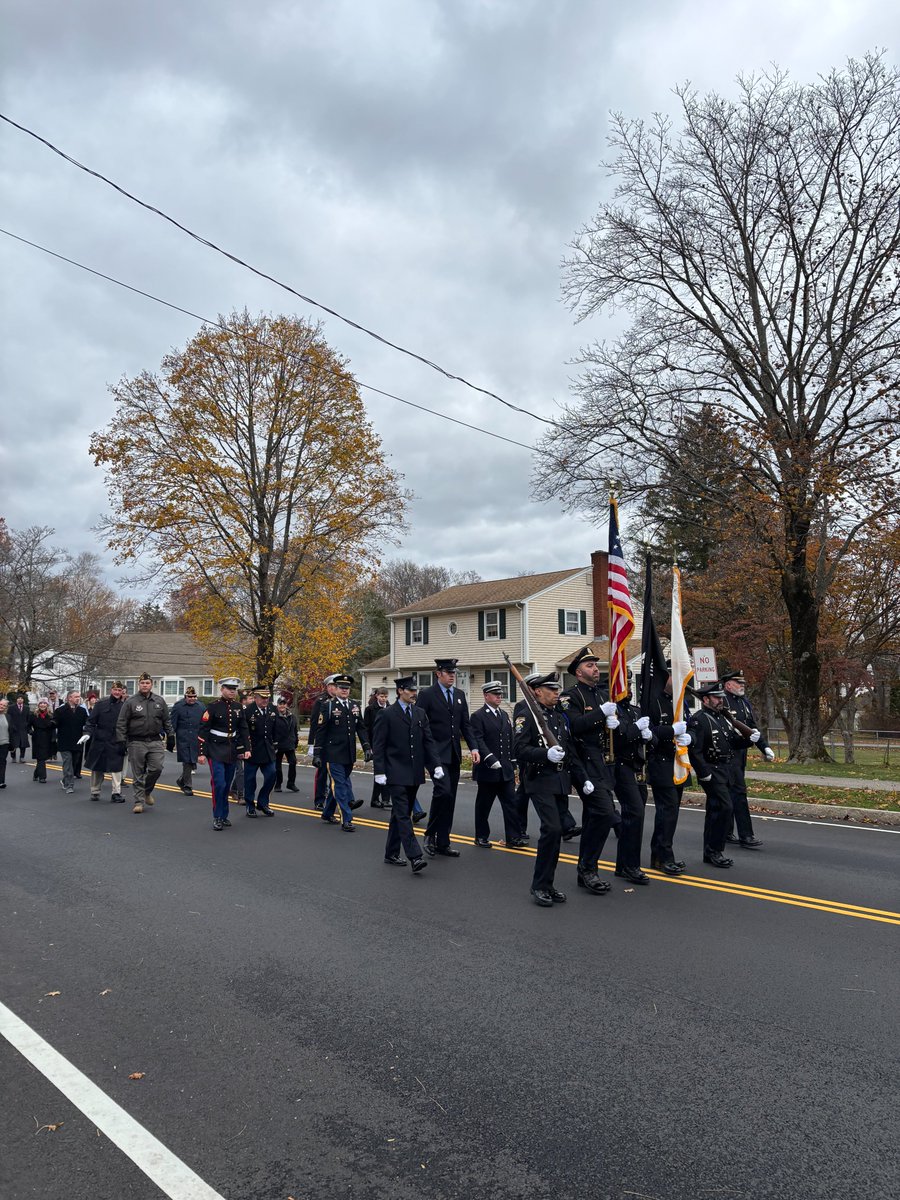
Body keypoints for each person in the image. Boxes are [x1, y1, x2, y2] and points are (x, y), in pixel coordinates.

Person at [514, 672, 587, 907]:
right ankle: (539, 885)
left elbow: (570, 751)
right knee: (552, 829)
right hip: (539, 781)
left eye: (557, 689)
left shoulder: (559, 717)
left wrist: (582, 778)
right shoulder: (528, 717)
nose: (557, 693)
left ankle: (548, 884)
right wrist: (544, 754)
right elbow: (519, 750)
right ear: (537, 691)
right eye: (551, 689)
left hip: (560, 782)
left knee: (554, 836)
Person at [560, 647, 619, 894]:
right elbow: (574, 726)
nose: (595, 669)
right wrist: (600, 715)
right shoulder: (570, 696)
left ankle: (586, 870)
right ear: (578, 672)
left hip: (605, 764)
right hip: (584, 764)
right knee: (605, 814)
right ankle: (587, 869)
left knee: (594, 816)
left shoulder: (603, 694)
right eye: (589, 665)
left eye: (595, 665)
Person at [372, 675, 442, 874]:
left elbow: (428, 741)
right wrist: (379, 771)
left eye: (415, 690)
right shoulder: (387, 715)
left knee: (398, 815)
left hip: (414, 772)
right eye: (410, 690)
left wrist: (435, 765)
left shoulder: (419, 713)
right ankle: (415, 856)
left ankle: (391, 853)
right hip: (395, 771)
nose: (414, 693)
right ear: (401, 691)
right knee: (404, 815)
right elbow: (379, 745)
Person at [415, 658, 480, 857]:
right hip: (435, 754)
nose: (452, 675)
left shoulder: (459, 695)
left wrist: (474, 747)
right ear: (438, 674)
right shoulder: (427, 695)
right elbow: (418, 724)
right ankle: (430, 834)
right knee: (442, 792)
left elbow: (465, 725)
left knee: (450, 797)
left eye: (454, 672)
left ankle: (443, 842)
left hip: (453, 753)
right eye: (448, 672)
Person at [688, 682, 754, 867]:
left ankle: (711, 852)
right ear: (706, 699)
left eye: (721, 697)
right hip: (712, 770)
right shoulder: (699, 719)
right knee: (725, 807)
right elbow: (696, 750)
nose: (720, 700)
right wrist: (703, 773)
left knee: (716, 811)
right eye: (717, 698)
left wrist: (749, 740)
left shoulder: (722, 717)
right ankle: (715, 850)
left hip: (726, 769)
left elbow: (732, 741)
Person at [645, 669, 691, 875]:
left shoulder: (681, 702)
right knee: (667, 811)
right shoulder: (653, 702)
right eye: (674, 675)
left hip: (679, 762)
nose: (678, 679)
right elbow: (649, 733)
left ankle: (659, 855)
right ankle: (664, 857)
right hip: (661, 763)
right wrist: (672, 731)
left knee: (672, 812)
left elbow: (693, 729)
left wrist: (690, 737)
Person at [468, 681, 526, 847]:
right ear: (486, 696)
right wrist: (490, 758)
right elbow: (478, 740)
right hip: (488, 769)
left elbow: (510, 739)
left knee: (511, 803)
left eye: (500, 694)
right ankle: (481, 836)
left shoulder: (504, 715)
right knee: (484, 805)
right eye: (495, 694)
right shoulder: (478, 716)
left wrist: (514, 760)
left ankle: (513, 837)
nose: (499, 697)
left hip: (505, 769)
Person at [312, 674, 371, 831]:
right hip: (333, 753)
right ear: (336, 689)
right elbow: (321, 731)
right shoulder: (328, 705)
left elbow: (361, 728)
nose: (344, 690)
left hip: (349, 753)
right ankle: (347, 818)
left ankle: (327, 813)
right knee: (339, 784)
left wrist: (366, 747)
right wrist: (317, 753)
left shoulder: (354, 705)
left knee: (338, 784)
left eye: (347, 688)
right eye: (341, 688)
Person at [721, 670, 772, 850]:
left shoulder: (744, 703)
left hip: (740, 755)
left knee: (730, 793)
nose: (742, 686)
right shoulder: (722, 702)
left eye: (742, 683)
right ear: (728, 685)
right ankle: (746, 835)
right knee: (737, 793)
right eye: (738, 683)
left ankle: (726, 832)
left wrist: (764, 747)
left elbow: (752, 728)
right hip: (728, 754)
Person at [115, 672, 174, 814]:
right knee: (138, 773)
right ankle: (138, 801)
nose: (145, 685)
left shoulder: (159, 701)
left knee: (157, 768)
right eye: (142, 683)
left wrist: (171, 735)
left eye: (147, 683)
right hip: (136, 741)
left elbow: (166, 720)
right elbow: (121, 722)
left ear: (151, 684)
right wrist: (121, 740)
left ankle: (147, 791)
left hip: (155, 740)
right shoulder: (131, 702)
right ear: (138, 685)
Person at [198, 678, 250, 831]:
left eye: (234, 688)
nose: (232, 691)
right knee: (219, 784)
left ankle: (224, 815)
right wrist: (201, 753)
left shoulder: (238, 707)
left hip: (231, 750)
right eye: (229, 688)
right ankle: (217, 816)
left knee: (226, 785)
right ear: (222, 689)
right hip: (215, 750)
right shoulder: (213, 707)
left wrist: (245, 749)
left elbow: (243, 729)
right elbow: (203, 730)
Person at [85, 683, 128, 802]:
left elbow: (128, 726)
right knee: (97, 768)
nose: (117, 692)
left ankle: (116, 793)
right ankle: (95, 791)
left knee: (116, 769)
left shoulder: (125, 707)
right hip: (100, 740)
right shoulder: (100, 704)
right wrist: (87, 734)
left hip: (116, 740)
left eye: (119, 690)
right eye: (115, 689)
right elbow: (91, 722)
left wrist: (127, 741)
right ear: (111, 690)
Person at [243, 685, 278, 818]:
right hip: (252, 750)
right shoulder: (247, 711)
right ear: (256, 697)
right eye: (262, 698)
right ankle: (250, 805)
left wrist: (275, 744)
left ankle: (263, 803)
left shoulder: (272, 709)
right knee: (250, 780)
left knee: (272, 775)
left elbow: (275, 728)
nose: (265, 700)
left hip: (267, 750)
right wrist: (243, 748)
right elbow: (243, 731)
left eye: (267, 698)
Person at [307, 675, 339, 810]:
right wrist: (311, 744)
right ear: (328, 687)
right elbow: (315, 723)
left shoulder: (340, 701)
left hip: (337, 743)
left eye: (337, 686)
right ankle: (319, 800)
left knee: (338, 774)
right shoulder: (321, 701)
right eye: (333, 686)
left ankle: (340, 799)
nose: (335, 688)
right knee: (322, 773)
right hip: (323, 742)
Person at [170, 686, 205, 795]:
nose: (192, 699)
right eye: (190, 697)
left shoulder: (201, 706)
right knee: (187, 761)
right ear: (185, 696)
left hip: (196, 737)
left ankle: (181, 780)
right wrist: (171, 736)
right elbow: (173, 723)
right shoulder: (178, 706)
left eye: (194, 696)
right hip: (183, 737)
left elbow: (205, 723)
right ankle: (187, 786)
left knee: (192, 761)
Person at [54, 690, 88, 794]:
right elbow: (55, 722)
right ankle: (69, 785)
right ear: (69, 698)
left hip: (77, 741)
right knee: (67, 762)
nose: (78, 698)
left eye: (79, 697)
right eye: (76, 697)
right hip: (64, 741)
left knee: (74, 763)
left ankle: (65, 780)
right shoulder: (61, 710)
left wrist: (87, 733)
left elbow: (88, 723)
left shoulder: (82, 711)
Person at [364, 687, 391, 809]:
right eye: (381, 696)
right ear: (377, 696)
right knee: (379, 771)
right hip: (376, 744)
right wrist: (369, 746)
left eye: (385, 696)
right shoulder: (370, 710)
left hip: (389, 744)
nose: (384, 699)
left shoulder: (391, 709)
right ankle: (375, 799)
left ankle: (386, 799)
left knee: (388, 772)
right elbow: (367, 729)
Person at [273, 697, 300, 792]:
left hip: (289, 744)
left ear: (286, 705)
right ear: (277, 705)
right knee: (277, 766)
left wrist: (296, 741)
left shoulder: (292, 717)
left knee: (293, 763)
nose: (282, 705)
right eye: (280, 703)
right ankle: (278, 784)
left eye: (284, 703)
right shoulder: (273, 716)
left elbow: (295, 730)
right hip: (278, 744)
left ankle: (291, 783)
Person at [28, 699, 55, 782]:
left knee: (43, 757)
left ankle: (36, 773)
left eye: (44, 703)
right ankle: (42, 777)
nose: (42, 705)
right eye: (41, 703)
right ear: (38, 705)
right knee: (41, 757)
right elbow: (28, 726)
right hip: (37, 737)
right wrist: (31, 732)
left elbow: (54, 727)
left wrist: (54, 737)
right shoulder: (33, 715)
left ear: (47, 705)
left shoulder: (50, 715)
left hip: (47, 737)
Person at [8, 694, 29, 762]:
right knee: (13, 744)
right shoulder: (11, 707)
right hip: (14, 728)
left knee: (23, 744)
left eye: (21, 698)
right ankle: (13, 757)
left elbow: (28, 718)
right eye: (18, 698)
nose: (20, 699)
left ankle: (22, 757)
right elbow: (9, 717)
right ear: (16, 699)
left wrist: (27, 725)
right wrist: (11, 726)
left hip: (23, 728)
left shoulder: (26, 707)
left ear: (23, 700)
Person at [0, 699, 11, 789]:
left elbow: (11, 730)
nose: (1, 706)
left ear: (6, 707)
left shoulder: (8, 717)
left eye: (4, 705)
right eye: (0, 704)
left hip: (4, 743)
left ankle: (1, 781)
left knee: (2, 762)